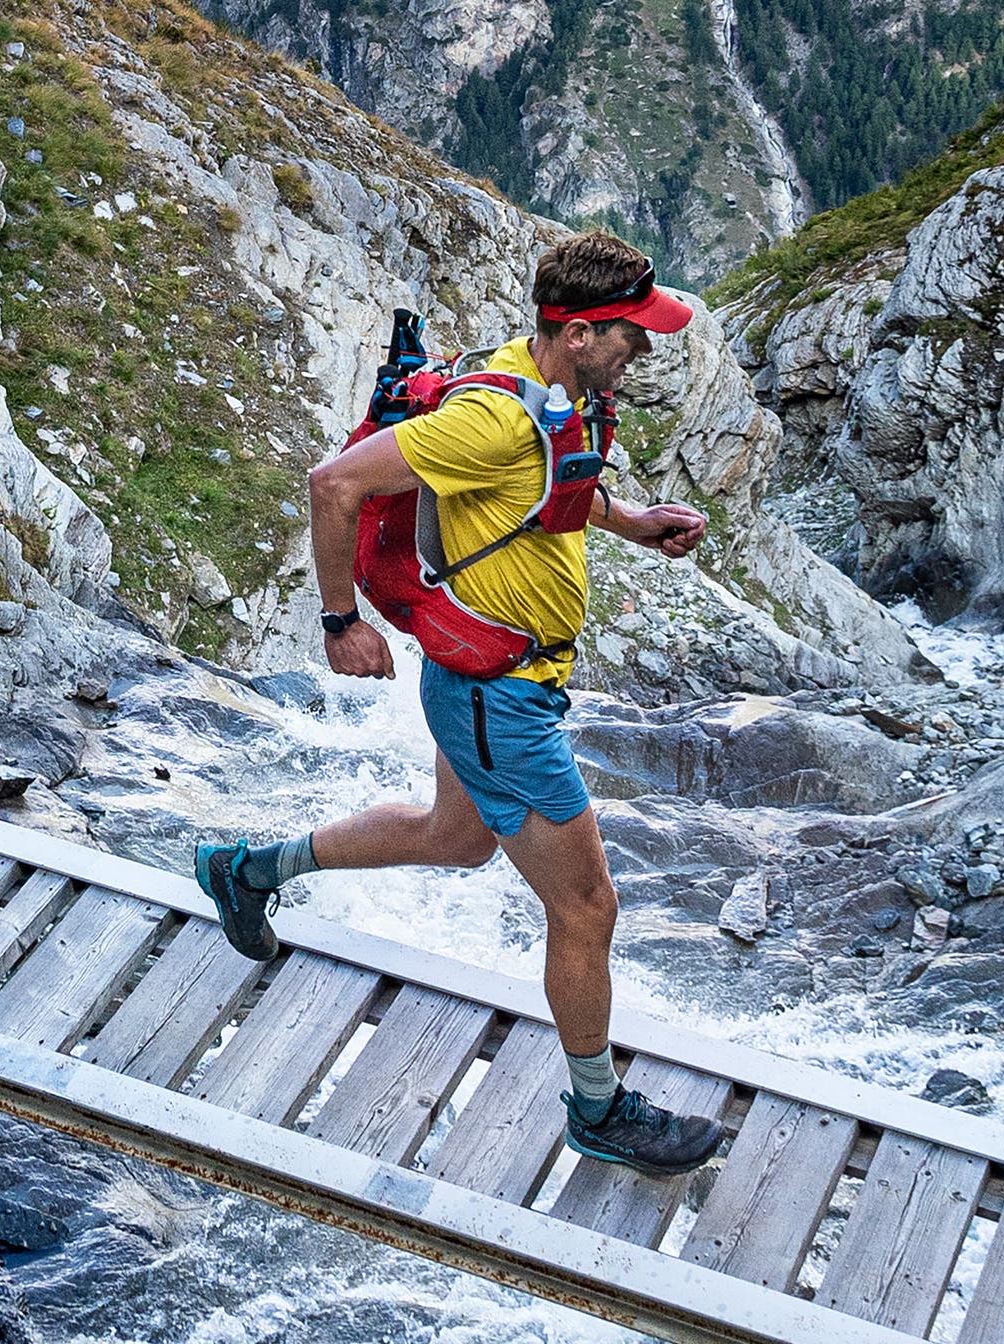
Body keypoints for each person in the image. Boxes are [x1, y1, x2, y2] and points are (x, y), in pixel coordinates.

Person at [194, 231, 723, 1177]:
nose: (642, 350)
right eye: (630, 336)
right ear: (577, 332)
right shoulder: (492, 419)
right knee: (589, 904)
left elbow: (558, 485)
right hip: (499, 697)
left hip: (501, 683)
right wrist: (338, 623)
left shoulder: (552, 392)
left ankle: (247, 870)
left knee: (455, 838)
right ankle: (598, 1111)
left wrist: (635, 525)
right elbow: (335, 483)